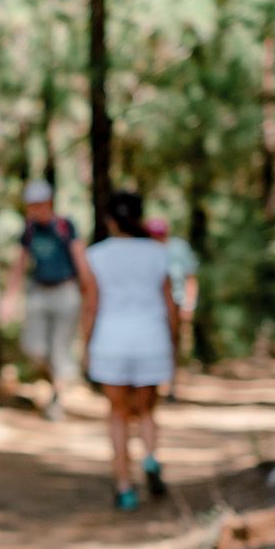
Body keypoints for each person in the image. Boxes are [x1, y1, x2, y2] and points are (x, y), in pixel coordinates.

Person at [81, 191, 178, 511]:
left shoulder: (96, 255)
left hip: (111, 341)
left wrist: (86, 345)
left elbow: (92, 305)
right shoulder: (158, 253)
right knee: (148, 410)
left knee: (118, 414)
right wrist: (174, 342)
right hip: (151, 339)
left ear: (109, 219)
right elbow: (169, 303)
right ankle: (150, 458)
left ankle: (124, 486)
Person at [1, 180, 88, 422]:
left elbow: (79, 258)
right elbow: (20, 263)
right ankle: (58, 377)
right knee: (35, 348)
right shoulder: (29, 230)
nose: (33, 210)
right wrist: (9, 298)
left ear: (48, 203)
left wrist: (87, 292)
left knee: (59, 349)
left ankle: (56, 399)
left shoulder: (64, 226)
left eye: (37, 205)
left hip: (66, 291)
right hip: (39, 291)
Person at [145, 217, 199, 401]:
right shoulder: (145, 250)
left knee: (173, 344)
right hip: (150, 305)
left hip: (175, 301)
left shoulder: (178, 248)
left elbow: (190, 277)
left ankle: (172, 386)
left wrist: (189, 304)